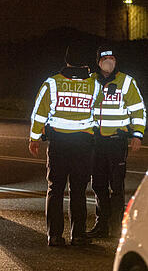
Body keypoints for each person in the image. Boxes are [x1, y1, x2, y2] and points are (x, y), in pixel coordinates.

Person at [29, 45, 101, 247]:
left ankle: (54, 236)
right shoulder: (95, 85)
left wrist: (33, 138)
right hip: (84, 144)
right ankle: (78, 235)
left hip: (59, 143)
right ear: (85, 63)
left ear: (67, 61)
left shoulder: (53, 83)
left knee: (55, 188)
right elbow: (99, 112)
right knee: (78, 190)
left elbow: (39, 113)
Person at [88, 45, 145, 238]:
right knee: (98, 184)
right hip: (96, 141)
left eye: (112, 58)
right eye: (105, 59)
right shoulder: (91, 82)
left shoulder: (126, 82)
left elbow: (139, 110)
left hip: (117, 141)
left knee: (117, 186)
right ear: (98, 62)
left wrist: (137, 135)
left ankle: (118, 227)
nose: (109, 62)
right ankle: (101, 224)